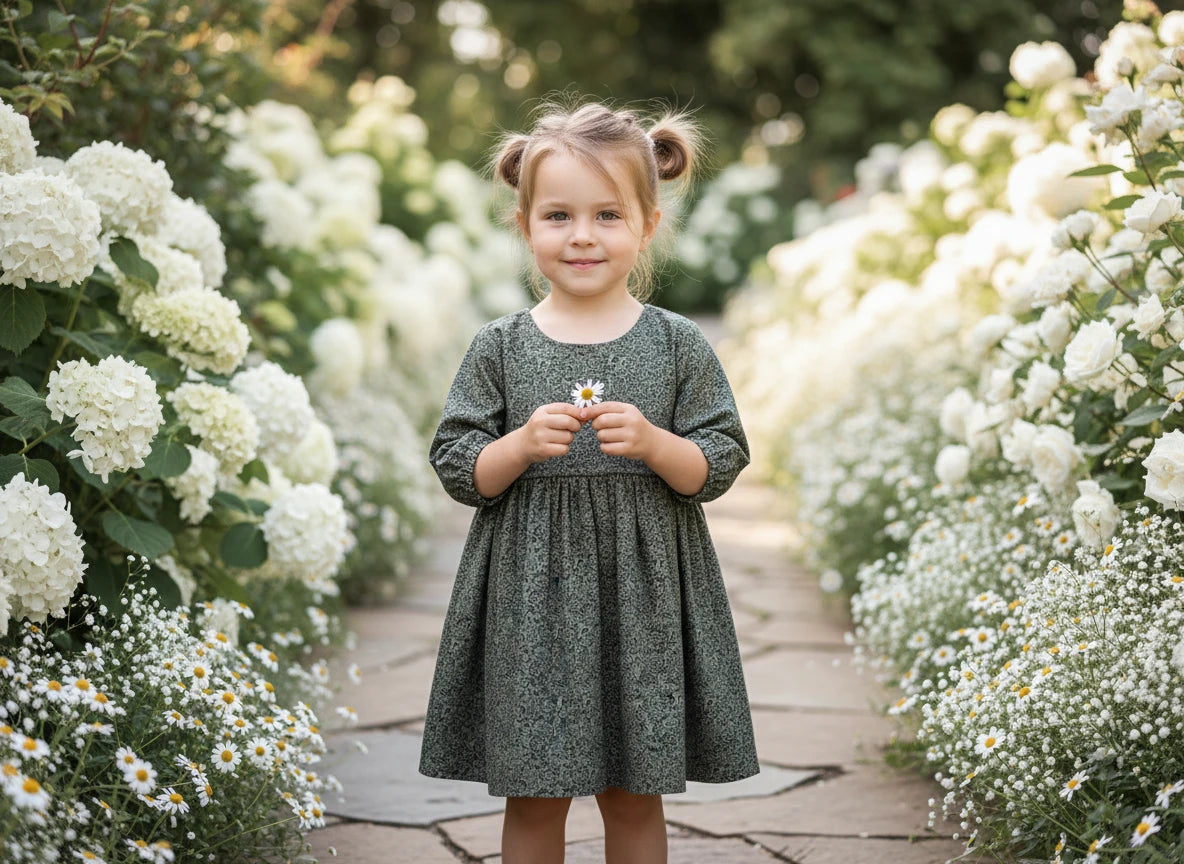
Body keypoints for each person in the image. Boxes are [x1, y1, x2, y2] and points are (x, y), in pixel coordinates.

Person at [418, 100, 760, 864]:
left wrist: (658, 445)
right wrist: (513, 448)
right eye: (558, 215)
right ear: (524, 224)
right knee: (535, 795)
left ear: (648, 224)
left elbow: (721, 458)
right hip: (529, 606)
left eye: (607, 215)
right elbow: (456, 464)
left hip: (642, 606)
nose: (581, 236)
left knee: (634, 796)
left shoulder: (676, 345)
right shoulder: (500, 347)